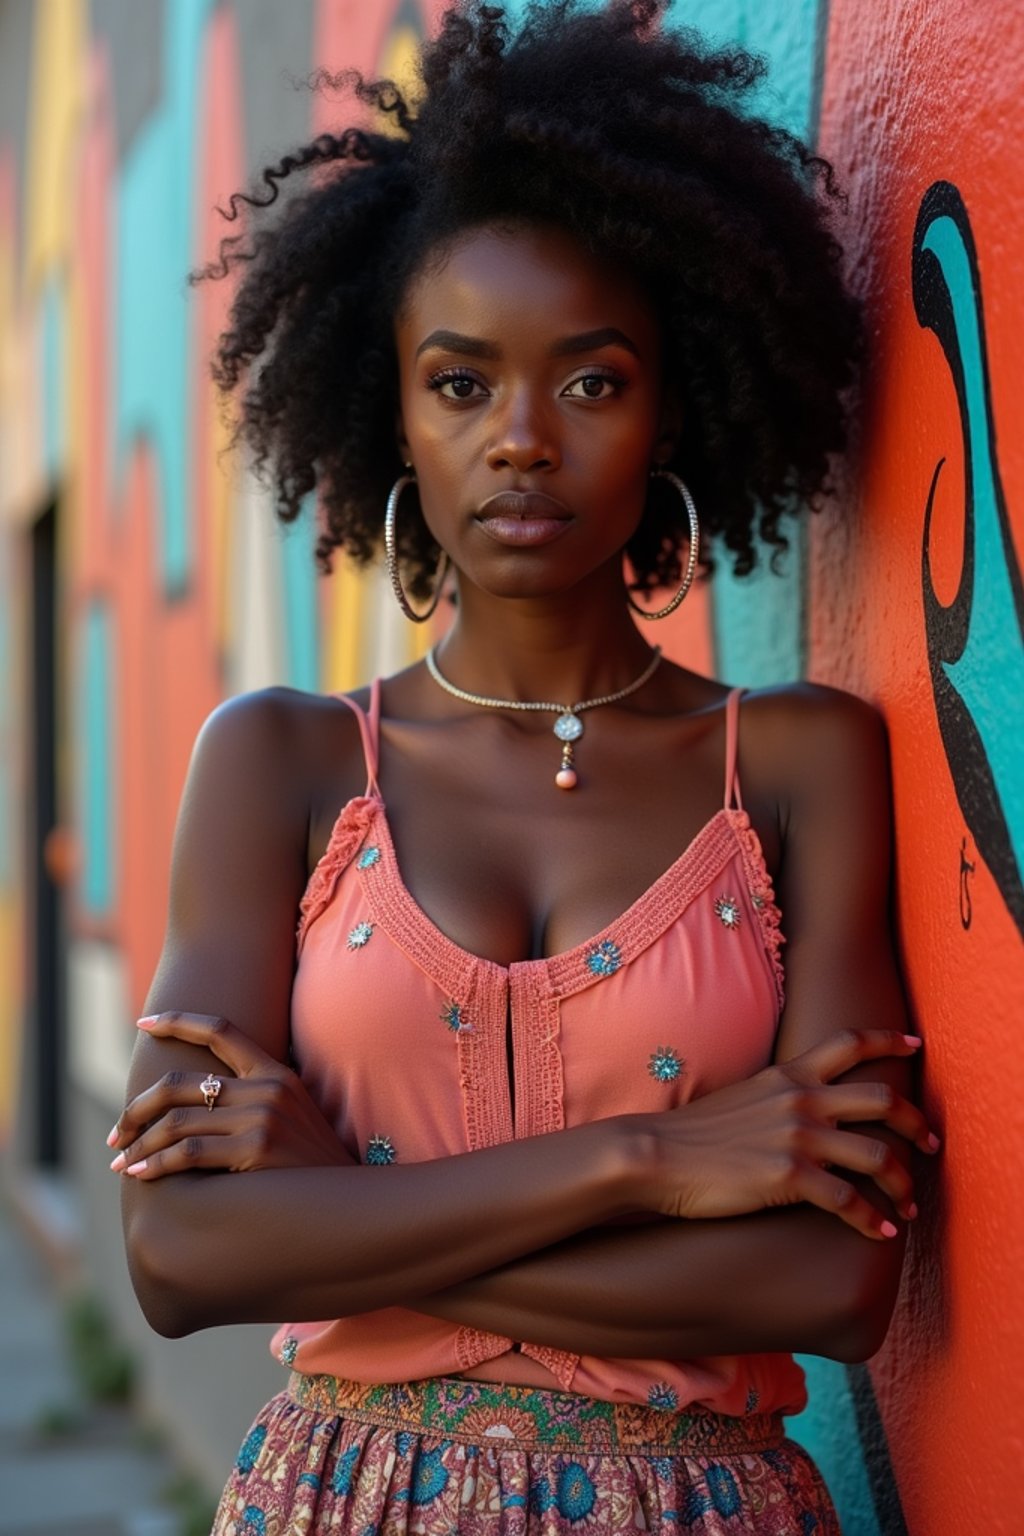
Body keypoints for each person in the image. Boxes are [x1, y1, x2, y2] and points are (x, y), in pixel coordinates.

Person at [112, 3, 939, 1531]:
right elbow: (178, 1263)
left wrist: (335, 1212)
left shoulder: (801, 764)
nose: (522, 442)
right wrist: (648, 1159)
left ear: (675, 401)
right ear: (393, 413)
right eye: (460, 381)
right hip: (337, 1502)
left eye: (594, 381)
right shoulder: (281, 763)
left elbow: (832, 1281)